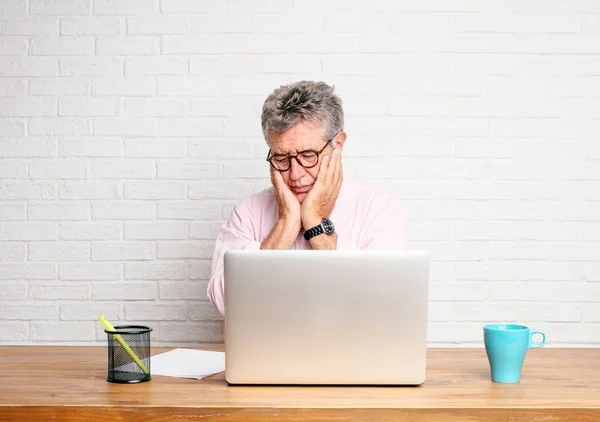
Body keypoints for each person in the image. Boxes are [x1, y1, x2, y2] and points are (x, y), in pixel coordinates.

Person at [207, 81, 407, 316]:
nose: (295, 174)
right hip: (271, 351)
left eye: (308, 155)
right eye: (281, 158)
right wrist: (286, 223)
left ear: (338, 145)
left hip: (352, 351)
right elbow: (226, 305)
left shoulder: (380, 210)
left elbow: (379, 305)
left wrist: (315, 220)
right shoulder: (247, 212)